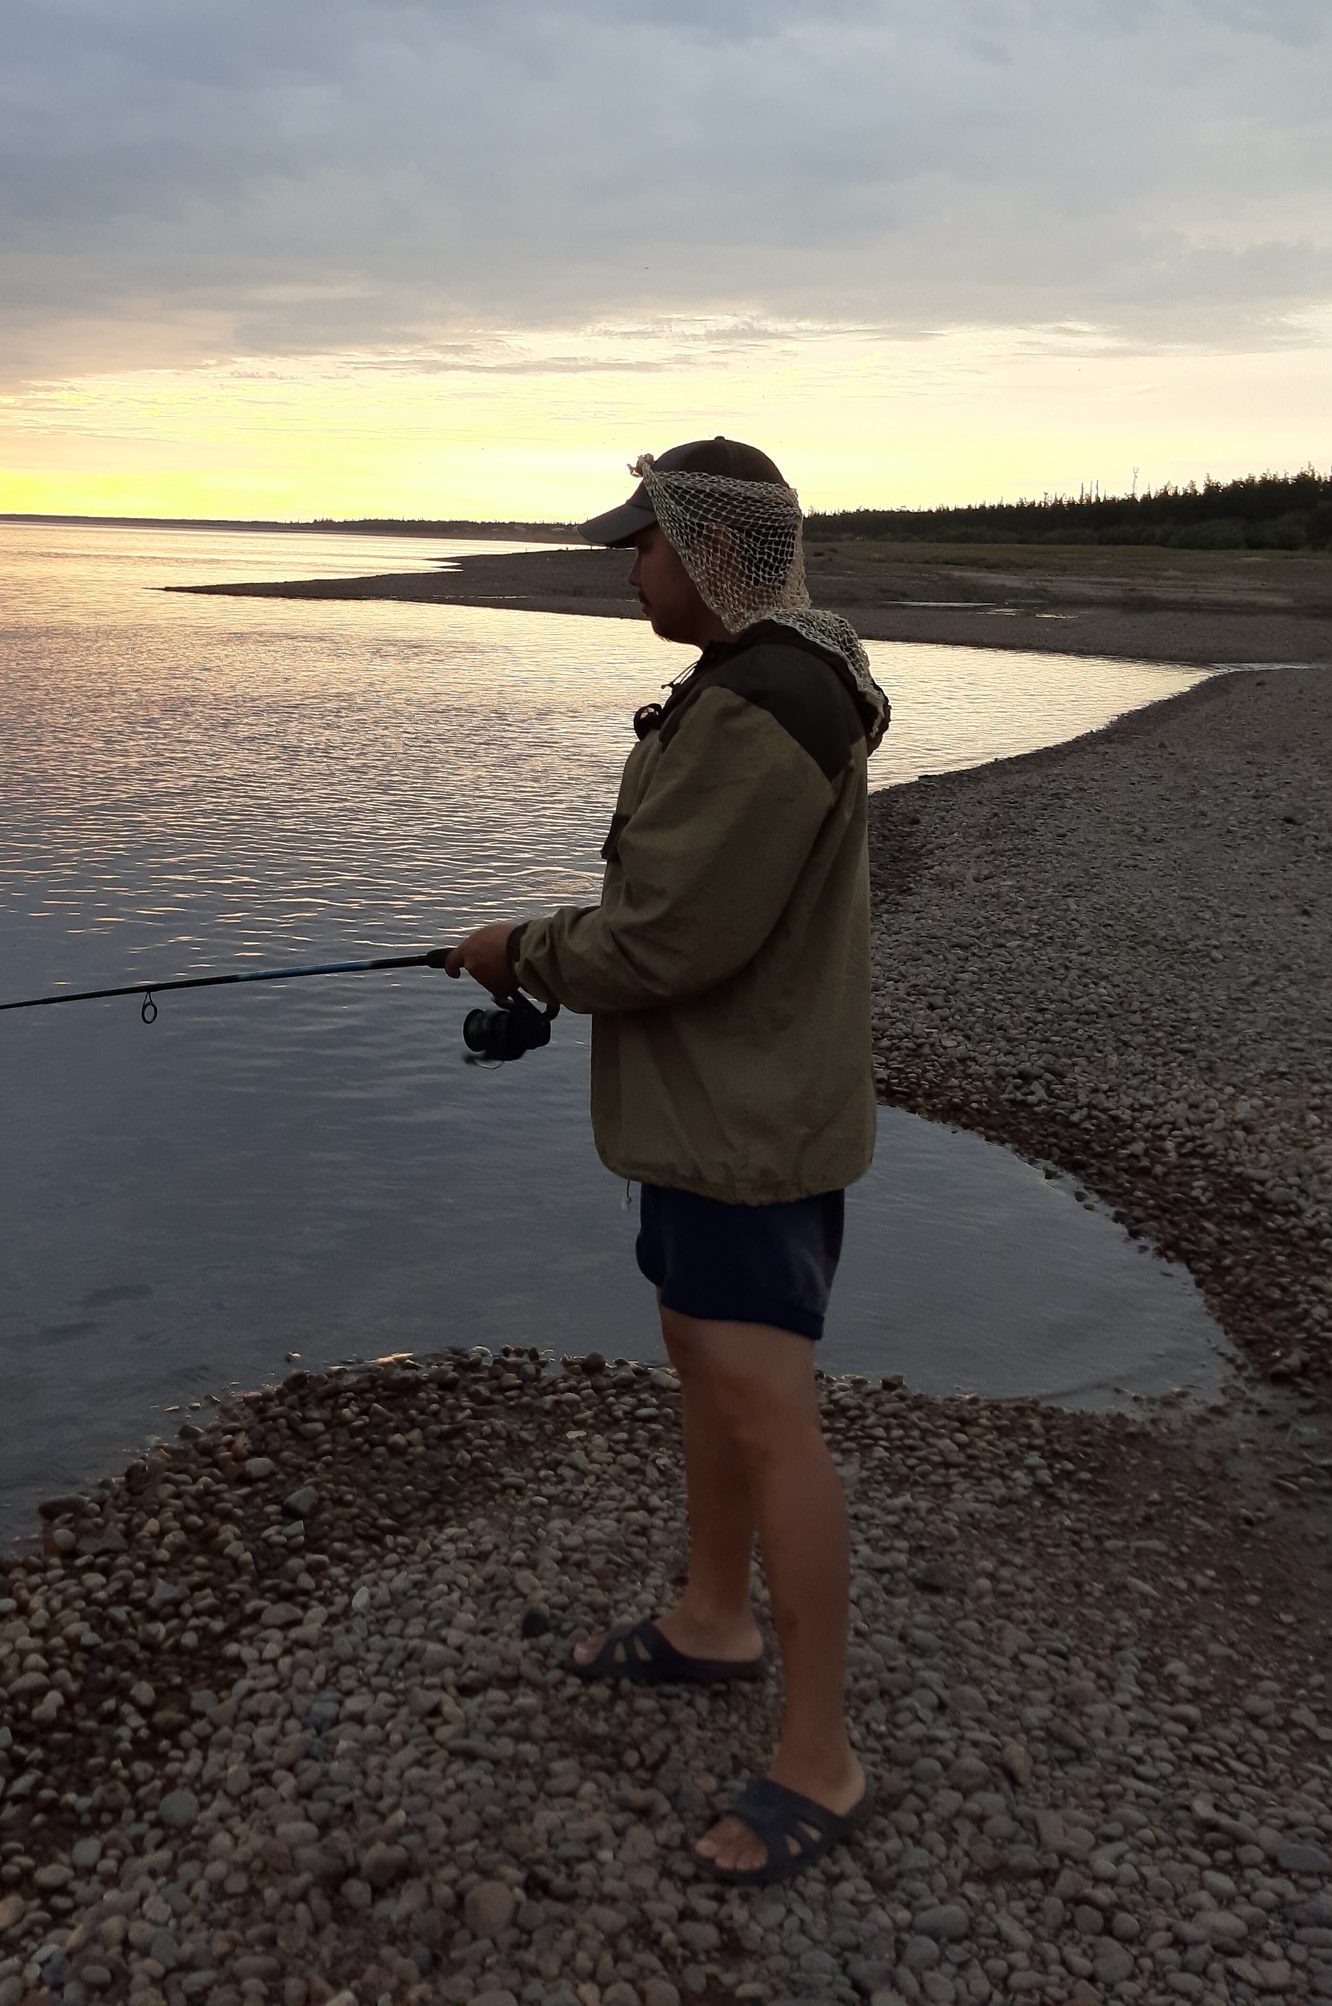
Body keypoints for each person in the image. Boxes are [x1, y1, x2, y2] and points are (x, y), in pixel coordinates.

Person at [445, 435, 890, 1888]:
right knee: (702, 1349)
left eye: (640, 542)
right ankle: (714, 1617)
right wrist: (546, 959)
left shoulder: (773, 700)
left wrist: (525, 951)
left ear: (710, 550)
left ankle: (819, 1759)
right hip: (713, 1112)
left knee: (767, 1408)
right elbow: (679, 910)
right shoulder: (755, 678)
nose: (623, 564)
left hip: (751, 1125)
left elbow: (668, 939)